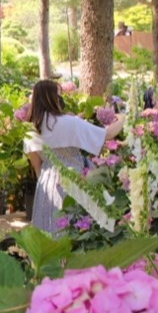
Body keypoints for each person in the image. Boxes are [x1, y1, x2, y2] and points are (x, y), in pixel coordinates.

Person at [24, 80, 124, 234]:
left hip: (47, 183)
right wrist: (124, 118)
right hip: (76, 177)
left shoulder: (31, 131)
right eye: (58, 96)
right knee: (78, 228)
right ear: (52, 99)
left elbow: (37, 168)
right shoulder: (69, 123)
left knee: (50, 231)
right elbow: (108, 134)